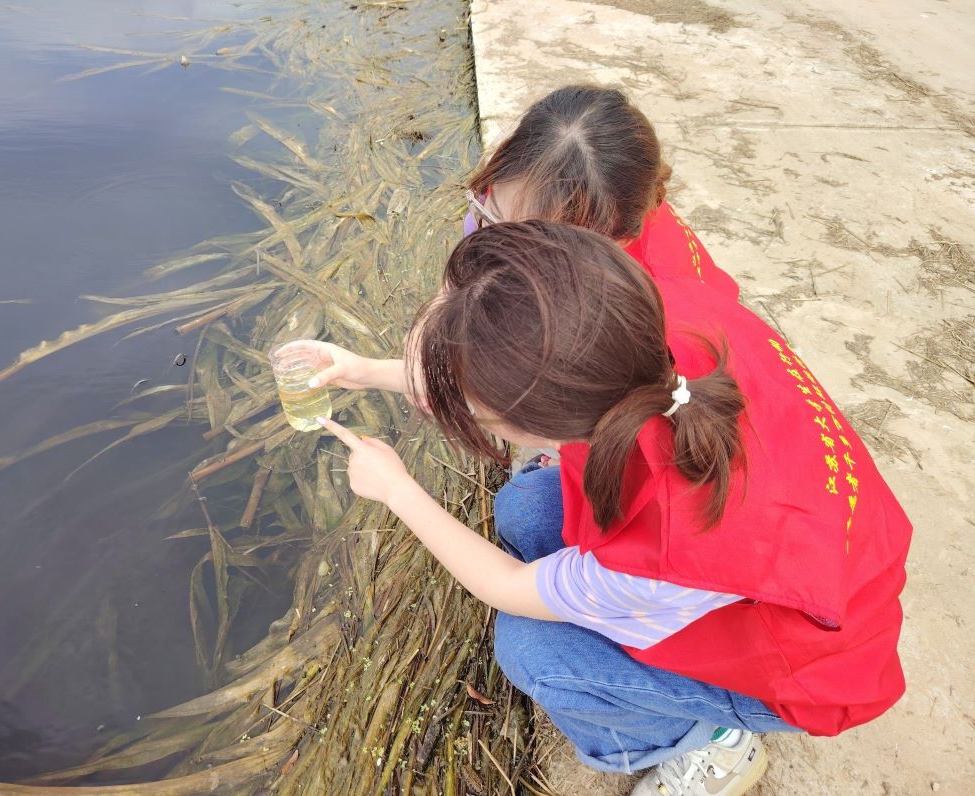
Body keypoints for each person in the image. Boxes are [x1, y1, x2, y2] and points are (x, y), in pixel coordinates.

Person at [310, 221, 912, 796]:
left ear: (534, 422)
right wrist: (361, 372)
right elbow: (505, 382)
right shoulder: (648, 328)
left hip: (811, 669)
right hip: (836, 564)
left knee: (533, 650)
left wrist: (397, 490)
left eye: (473, 413)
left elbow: (504, 585)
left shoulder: (659, 556)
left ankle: (712, 743)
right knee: (525, 506)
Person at [464, 84, 740, 301]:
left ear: (617, 241)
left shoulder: (633, 309)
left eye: (537, 248)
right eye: (494, 216)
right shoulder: (508, 197)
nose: (499, 248)